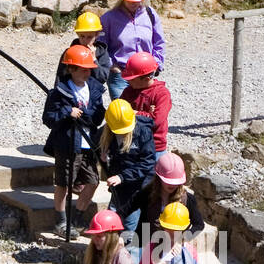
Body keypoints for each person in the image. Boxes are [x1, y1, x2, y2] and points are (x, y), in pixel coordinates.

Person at [43, 44, 107, 238]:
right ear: (71, 69)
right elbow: (48, 118)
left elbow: (97, 116)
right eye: (83, 69)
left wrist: (89, 115)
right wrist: (66, 112)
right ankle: (61, 222)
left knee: (93, 181)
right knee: (64, 184)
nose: (87, 73)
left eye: (89, 69)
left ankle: (77, 218)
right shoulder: (59, 92)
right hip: (68, 144)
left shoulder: (94, 89)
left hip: (88, 144)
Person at [100, 0, 165, 100]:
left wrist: (156, 64)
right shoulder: (108, 19)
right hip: (120, 76)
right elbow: (101, 48)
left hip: (146, 76)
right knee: (123, 117)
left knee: (145, 116)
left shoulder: (151, 15)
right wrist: (112, 66)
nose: (133, 3)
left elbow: (159, 43)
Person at [100, 99, 157, 242]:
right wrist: (102, 158)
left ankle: (128, 257)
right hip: (119, 188)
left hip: (137, 187)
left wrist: (122, 177)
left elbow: (148, 162)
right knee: (112, 221)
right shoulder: (106, 133)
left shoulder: (143, 132)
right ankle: (111, 253)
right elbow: (96, 148)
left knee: (130, 227)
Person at [140, 152, 204, 252]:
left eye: (175, 181)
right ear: (158, 177)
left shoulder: (188, 199)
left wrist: (183, 239)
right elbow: (131, 210)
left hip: (175, 249)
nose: (172, 185)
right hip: (151, 247)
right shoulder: (147, 194)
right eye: (168, 181)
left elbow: (199, 224)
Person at [120, 51, 171, 153]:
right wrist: (148, 114)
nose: (128, 81)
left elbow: (156, 120)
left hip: (154, 146)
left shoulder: (162, 94)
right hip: (131, 143)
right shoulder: (128, 91)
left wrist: (135, 114)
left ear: (147, 79)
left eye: (132, 79)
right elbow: (119, 111)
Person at [54, 11, 111, 88]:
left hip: (92, 95)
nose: (85, 40)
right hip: (71, 94)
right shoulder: (69, 52)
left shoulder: (102, 52)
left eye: (89, 37)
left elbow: (102, 78)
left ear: (97, 35)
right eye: (82, 36)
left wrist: (94, 60)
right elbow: (60, 77)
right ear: (78, 34)